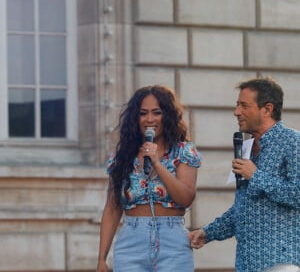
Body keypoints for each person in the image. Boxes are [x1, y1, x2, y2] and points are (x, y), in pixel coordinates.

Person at [189, 77, 300, 272]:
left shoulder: (293, 141)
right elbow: (243, 208)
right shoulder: (247, 148)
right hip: (246, 265)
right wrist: (208, 233)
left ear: (267, 109)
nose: (236, 112)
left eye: (244, 106)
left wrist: (256, 176)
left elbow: (297, 194)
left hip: (280, 262)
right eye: (237, 105)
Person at [96, 85, 201, 272]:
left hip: (173, 245)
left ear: (167, 116)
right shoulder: (122, 157)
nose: (149, 119)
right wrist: (102, 259)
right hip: (131, 244)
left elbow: (186, 197)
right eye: (143, 113)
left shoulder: (184, 151)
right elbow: (112, 209)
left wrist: (157, 164)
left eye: (156, 112)